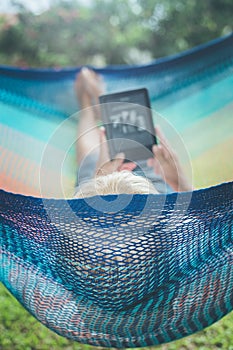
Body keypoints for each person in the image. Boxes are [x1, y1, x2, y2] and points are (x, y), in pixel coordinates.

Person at [73, 68, 192, 198]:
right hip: (147, 185)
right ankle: (99, 109)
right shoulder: (171, 217)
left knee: (91, 161)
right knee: (92, 161)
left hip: (145, 184)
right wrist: (179, 182)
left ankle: (89, 106)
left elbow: (201, 216)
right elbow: (200, 217)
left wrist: (101, 179)